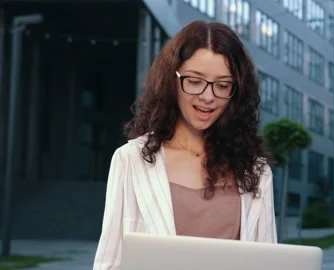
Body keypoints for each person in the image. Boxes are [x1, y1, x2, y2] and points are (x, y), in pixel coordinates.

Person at [92, 20, 277, 269]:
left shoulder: (255, 171)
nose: (208, 96)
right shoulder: (131, 159)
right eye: (194, 80)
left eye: (222, 85)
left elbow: (269, 262)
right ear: (172, 80)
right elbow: (110, 259)